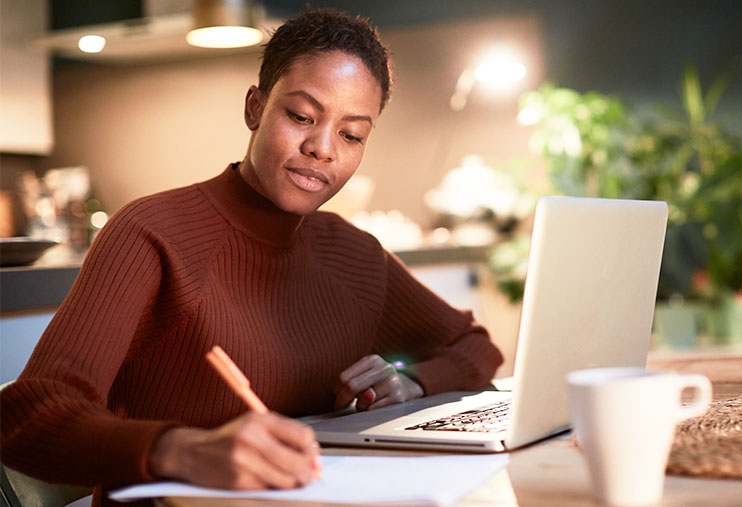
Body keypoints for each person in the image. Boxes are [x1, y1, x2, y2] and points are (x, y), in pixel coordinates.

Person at [0, 8, 503, 506]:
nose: (322, 148)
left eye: (351, 135)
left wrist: (411, 382)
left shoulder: (353, 252)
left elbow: (476, 347)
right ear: (255, 108)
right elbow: (27, 416)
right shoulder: (151, 233)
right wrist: (183, 450)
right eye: (301, 116)